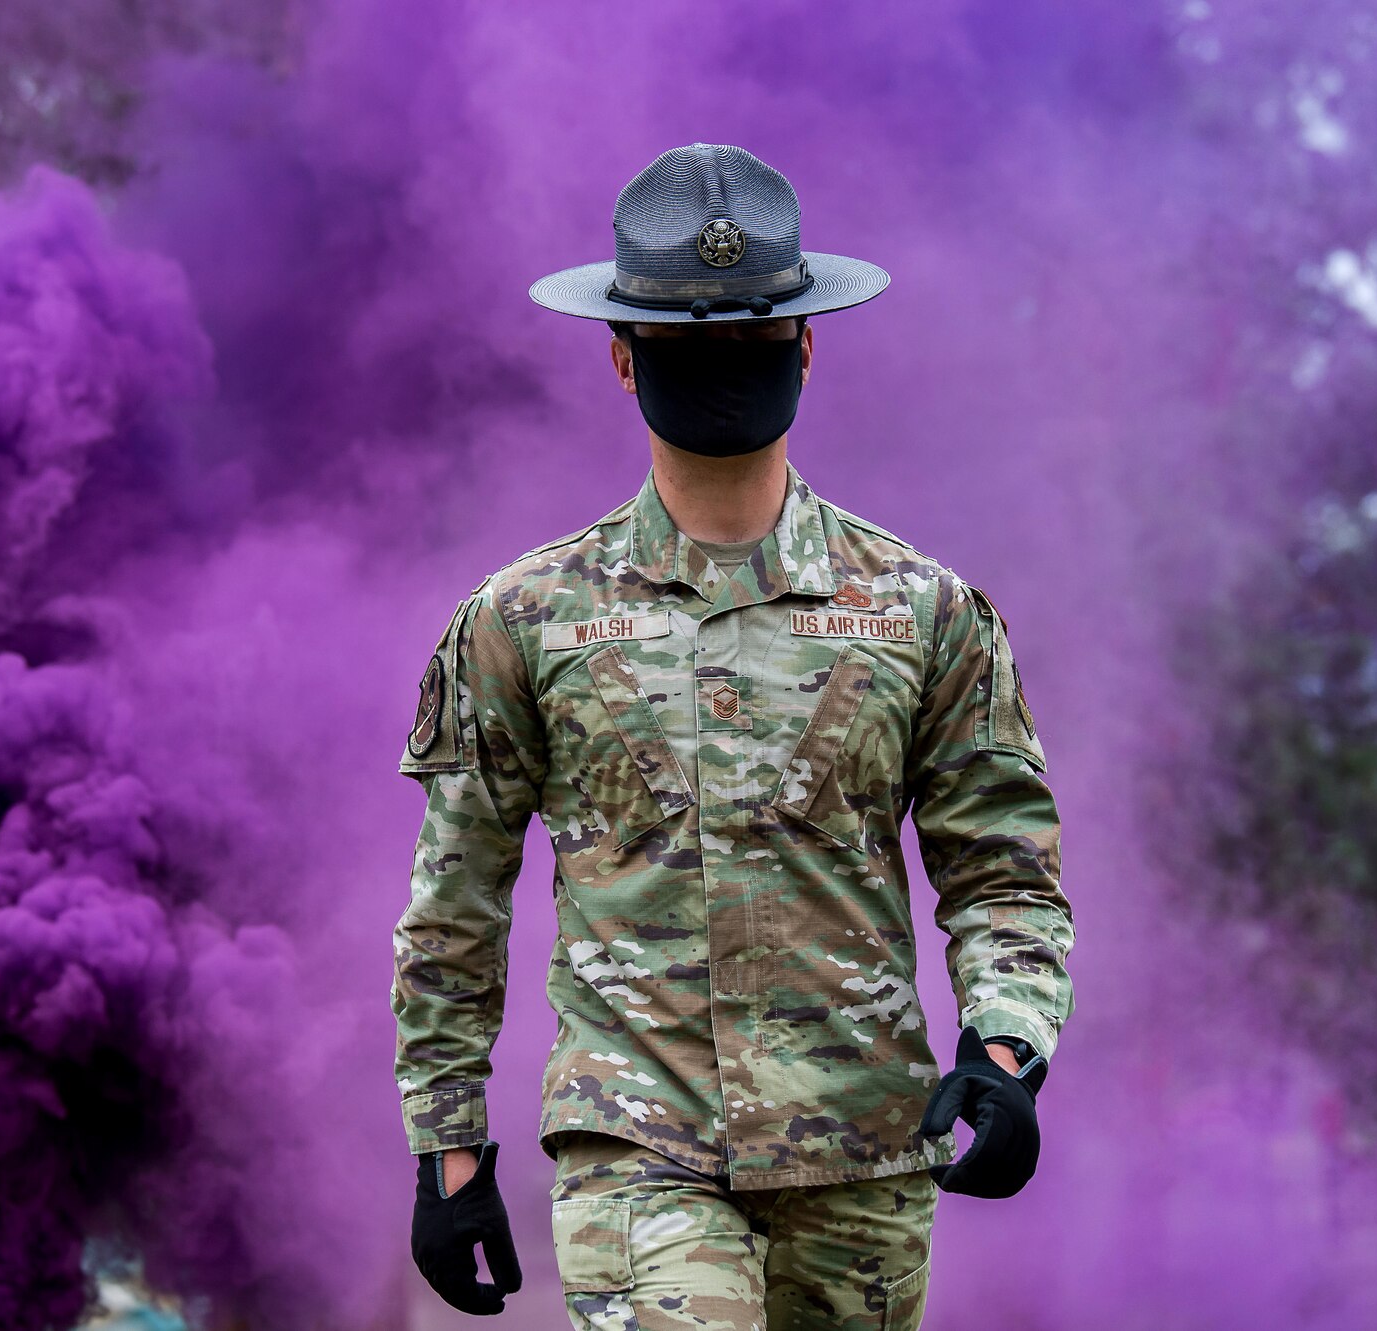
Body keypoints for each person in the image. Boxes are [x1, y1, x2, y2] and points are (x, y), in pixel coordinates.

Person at [392, 142, 1075, 1330]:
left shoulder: (922, 611)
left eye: (748, 338)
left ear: (805, 345)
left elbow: (1002, 868)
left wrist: (1007, 1048)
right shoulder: (523, 619)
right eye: (683, 345)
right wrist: (446, 1146)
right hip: (636, 1145)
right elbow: (455, 906)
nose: (718, 367)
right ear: (621, 358)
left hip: (862, 1153)